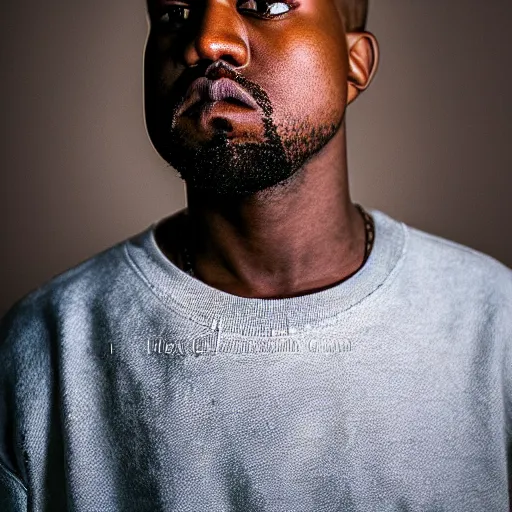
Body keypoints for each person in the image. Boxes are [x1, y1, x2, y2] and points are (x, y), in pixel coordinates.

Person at [0, 0, 511, 509]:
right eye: (175, 15)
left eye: (267, 4)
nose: (207, 41)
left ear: (355, 63)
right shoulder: (41, 351)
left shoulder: (497, 328)